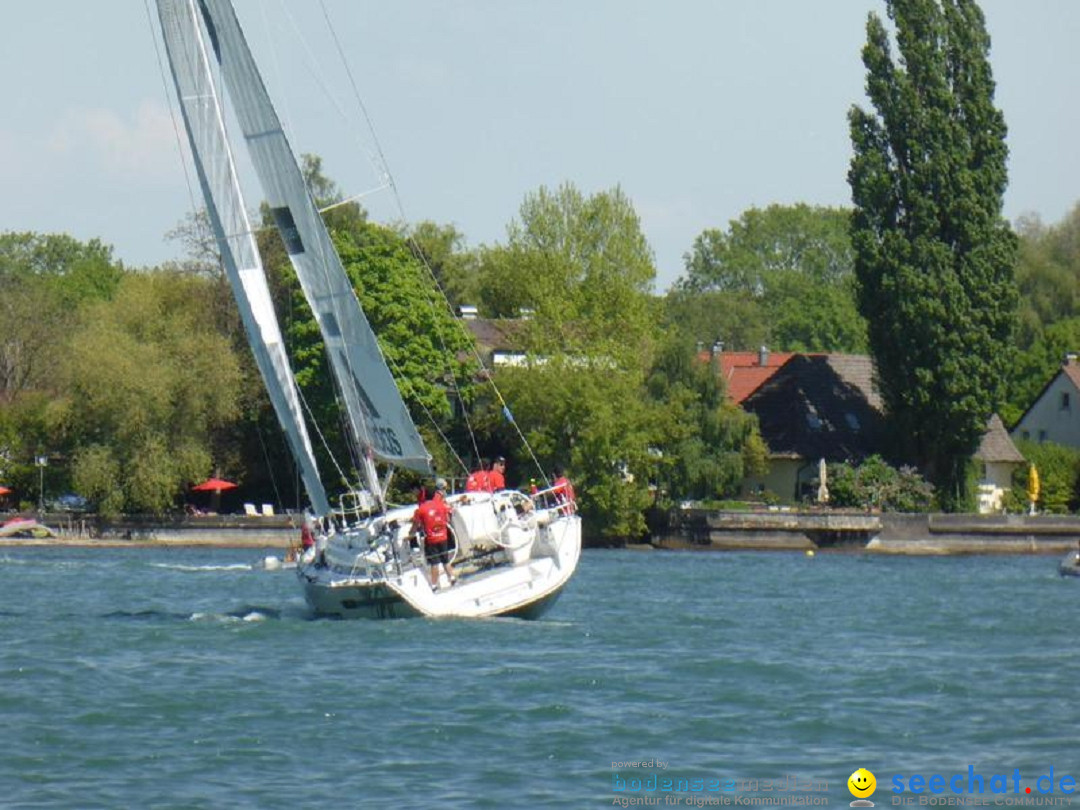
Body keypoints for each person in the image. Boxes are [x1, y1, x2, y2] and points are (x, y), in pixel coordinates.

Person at [412, 477, 456, 590]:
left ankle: (434, 585)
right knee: (446, 560)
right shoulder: (441, 504)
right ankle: (452, 577)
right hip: (443, 537)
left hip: (431, 540)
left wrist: (411, 533)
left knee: (434, 563)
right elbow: (447, 517)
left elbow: (416, 525)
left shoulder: (420, 509)